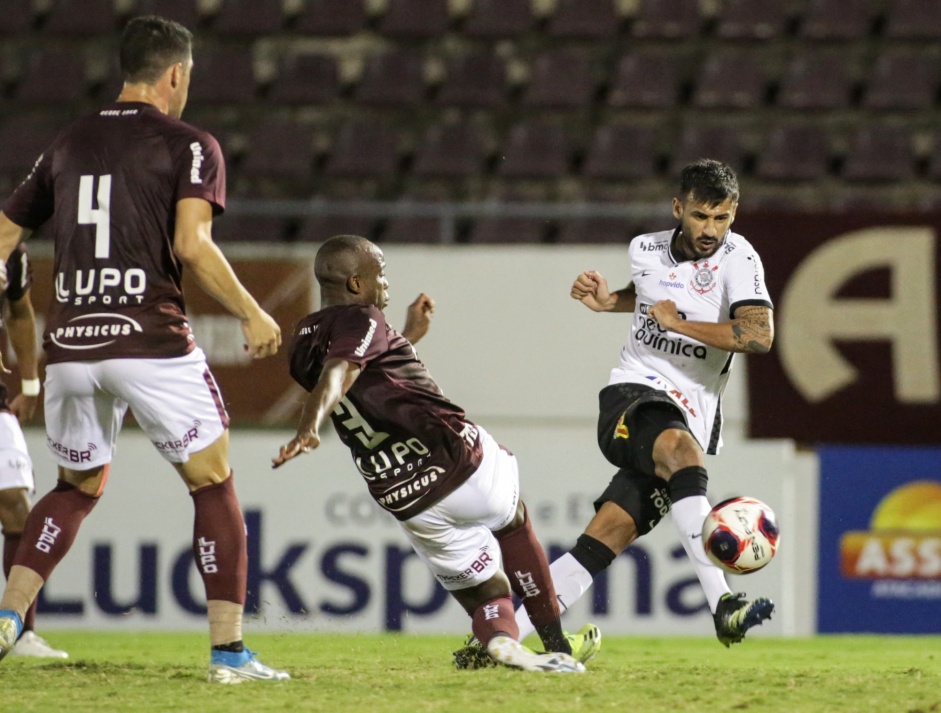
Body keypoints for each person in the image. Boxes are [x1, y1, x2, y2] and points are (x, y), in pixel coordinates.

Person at [0, 16, 289, 683]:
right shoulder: (190, 145)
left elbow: (7, 232)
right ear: (176, 74)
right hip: (150, 339)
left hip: (69, 345)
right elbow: (191, 246)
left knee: (75, 485)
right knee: (212, 480)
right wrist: (252, 309)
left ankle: (11, 616)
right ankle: (229, 653)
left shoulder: (69, 139)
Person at [459, 159, 776, 662]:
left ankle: (494, 645)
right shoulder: (644, 248)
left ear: (733, 213)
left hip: (689, 413)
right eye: (699, 217)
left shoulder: (741, 259)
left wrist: (669, 322)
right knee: (683, 456)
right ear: (678, 208)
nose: (710, 230)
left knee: (608, 534)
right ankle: (722, 602)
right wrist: (611, 301)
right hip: (632, 395)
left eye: (720, 218)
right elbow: (655, 297)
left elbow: (758, 335)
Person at [272, 235, 596, 673]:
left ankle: (500, 643)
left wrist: (404, 338)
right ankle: (558, 642)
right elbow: (341, 371)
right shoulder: (362, 317)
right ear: (354, 283)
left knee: (487, 594)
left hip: (406, 496)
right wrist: (308, 427)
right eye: (379, 274)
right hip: (458, 464)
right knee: (513, 520)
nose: (386, 283)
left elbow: (363, 377)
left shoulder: (303, 342)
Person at [0, 247, 67, 659]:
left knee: (20, 509)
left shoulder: (10, 249)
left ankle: (20, 634)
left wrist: (28, 384)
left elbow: (19, 312)